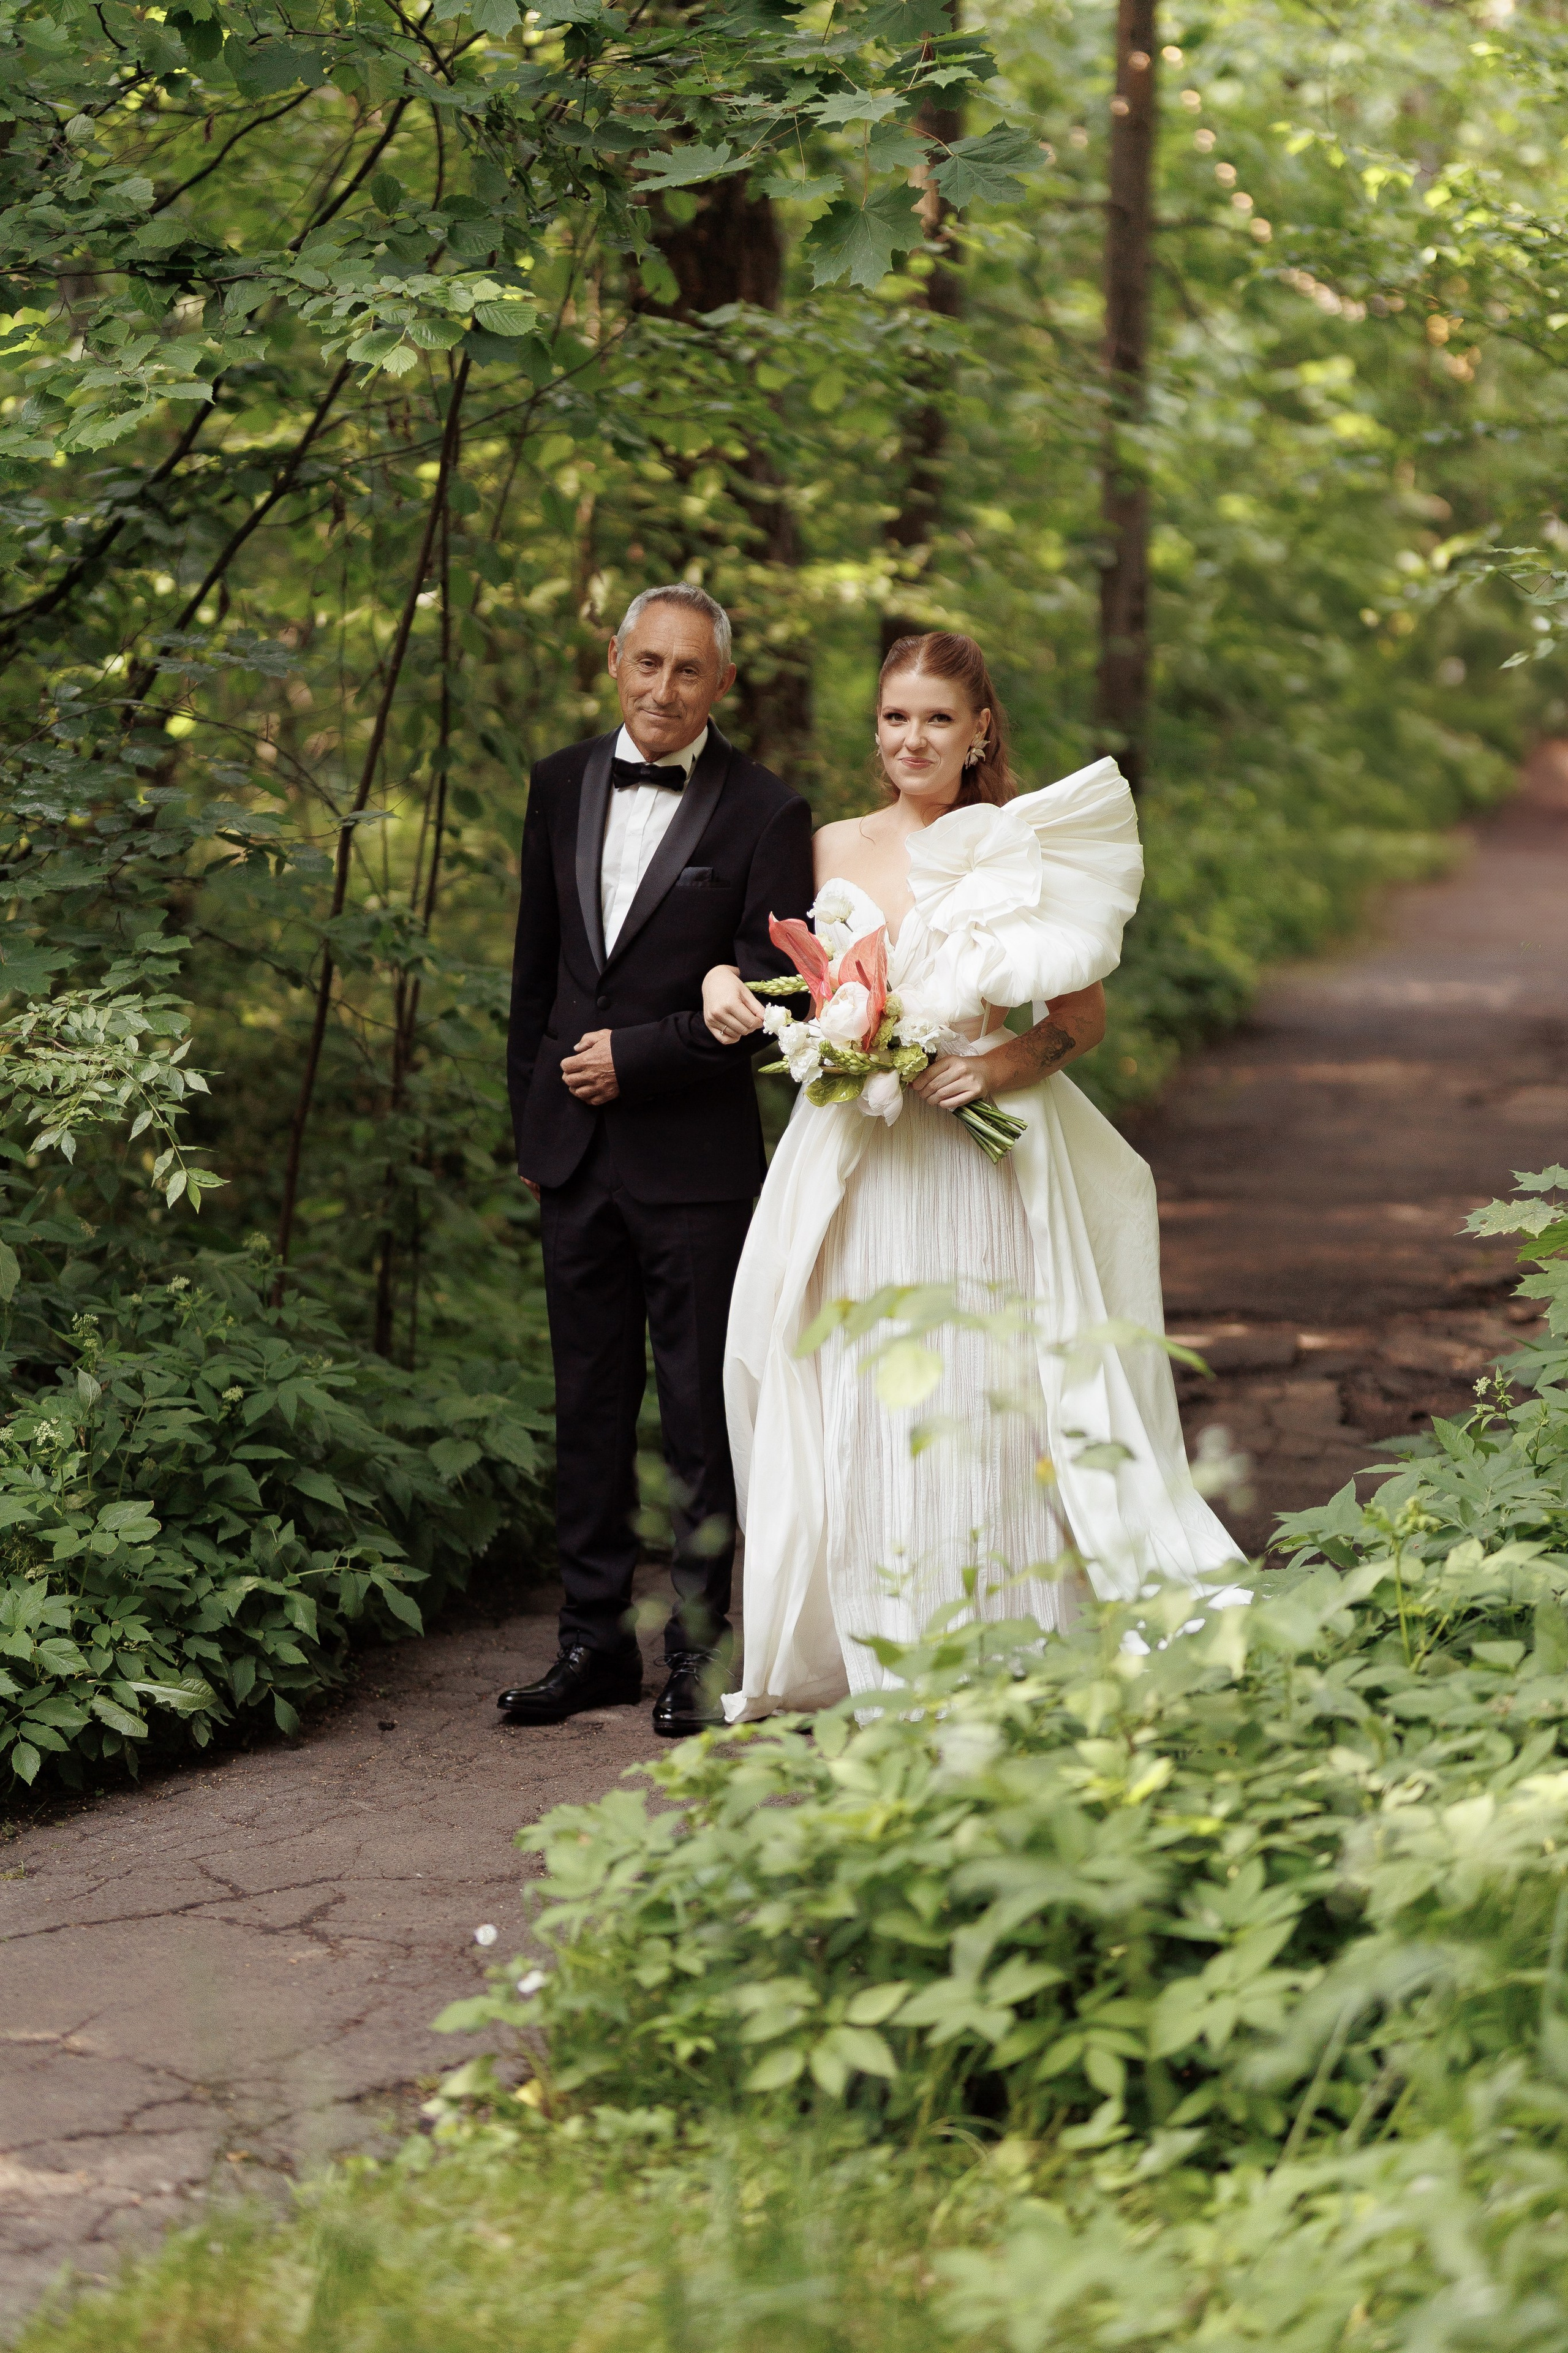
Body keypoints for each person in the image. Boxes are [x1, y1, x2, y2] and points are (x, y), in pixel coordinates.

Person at [703, 630, 1244, 1718]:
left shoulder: (1019, 846)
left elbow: (1076, 1023)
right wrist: (781, 1008)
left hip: (973, 1164)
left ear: (979, 729)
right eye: (896, 717)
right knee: (845, 1381)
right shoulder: (823, 845)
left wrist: (994, 1063)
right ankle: (878, 1647)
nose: (914, 738)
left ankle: (1002, 1643)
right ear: (876, 727)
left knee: (980, 1386)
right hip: (854, 1153)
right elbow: (770, 970)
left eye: (938, 719)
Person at [500, 584, 815, 1735]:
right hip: (573, 1154)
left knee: (697, 1414)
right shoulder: (559, 782)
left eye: (690, 671)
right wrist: (531, 1122)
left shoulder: (770, 814)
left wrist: (636, 1057)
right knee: (585, 1405)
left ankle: (698, 1651)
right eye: (648, 664)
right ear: (617, 662)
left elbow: (775, 994)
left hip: (695, 1163)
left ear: (722, 684)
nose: (664, 689)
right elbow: (537, 972)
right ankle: (590, 1643)